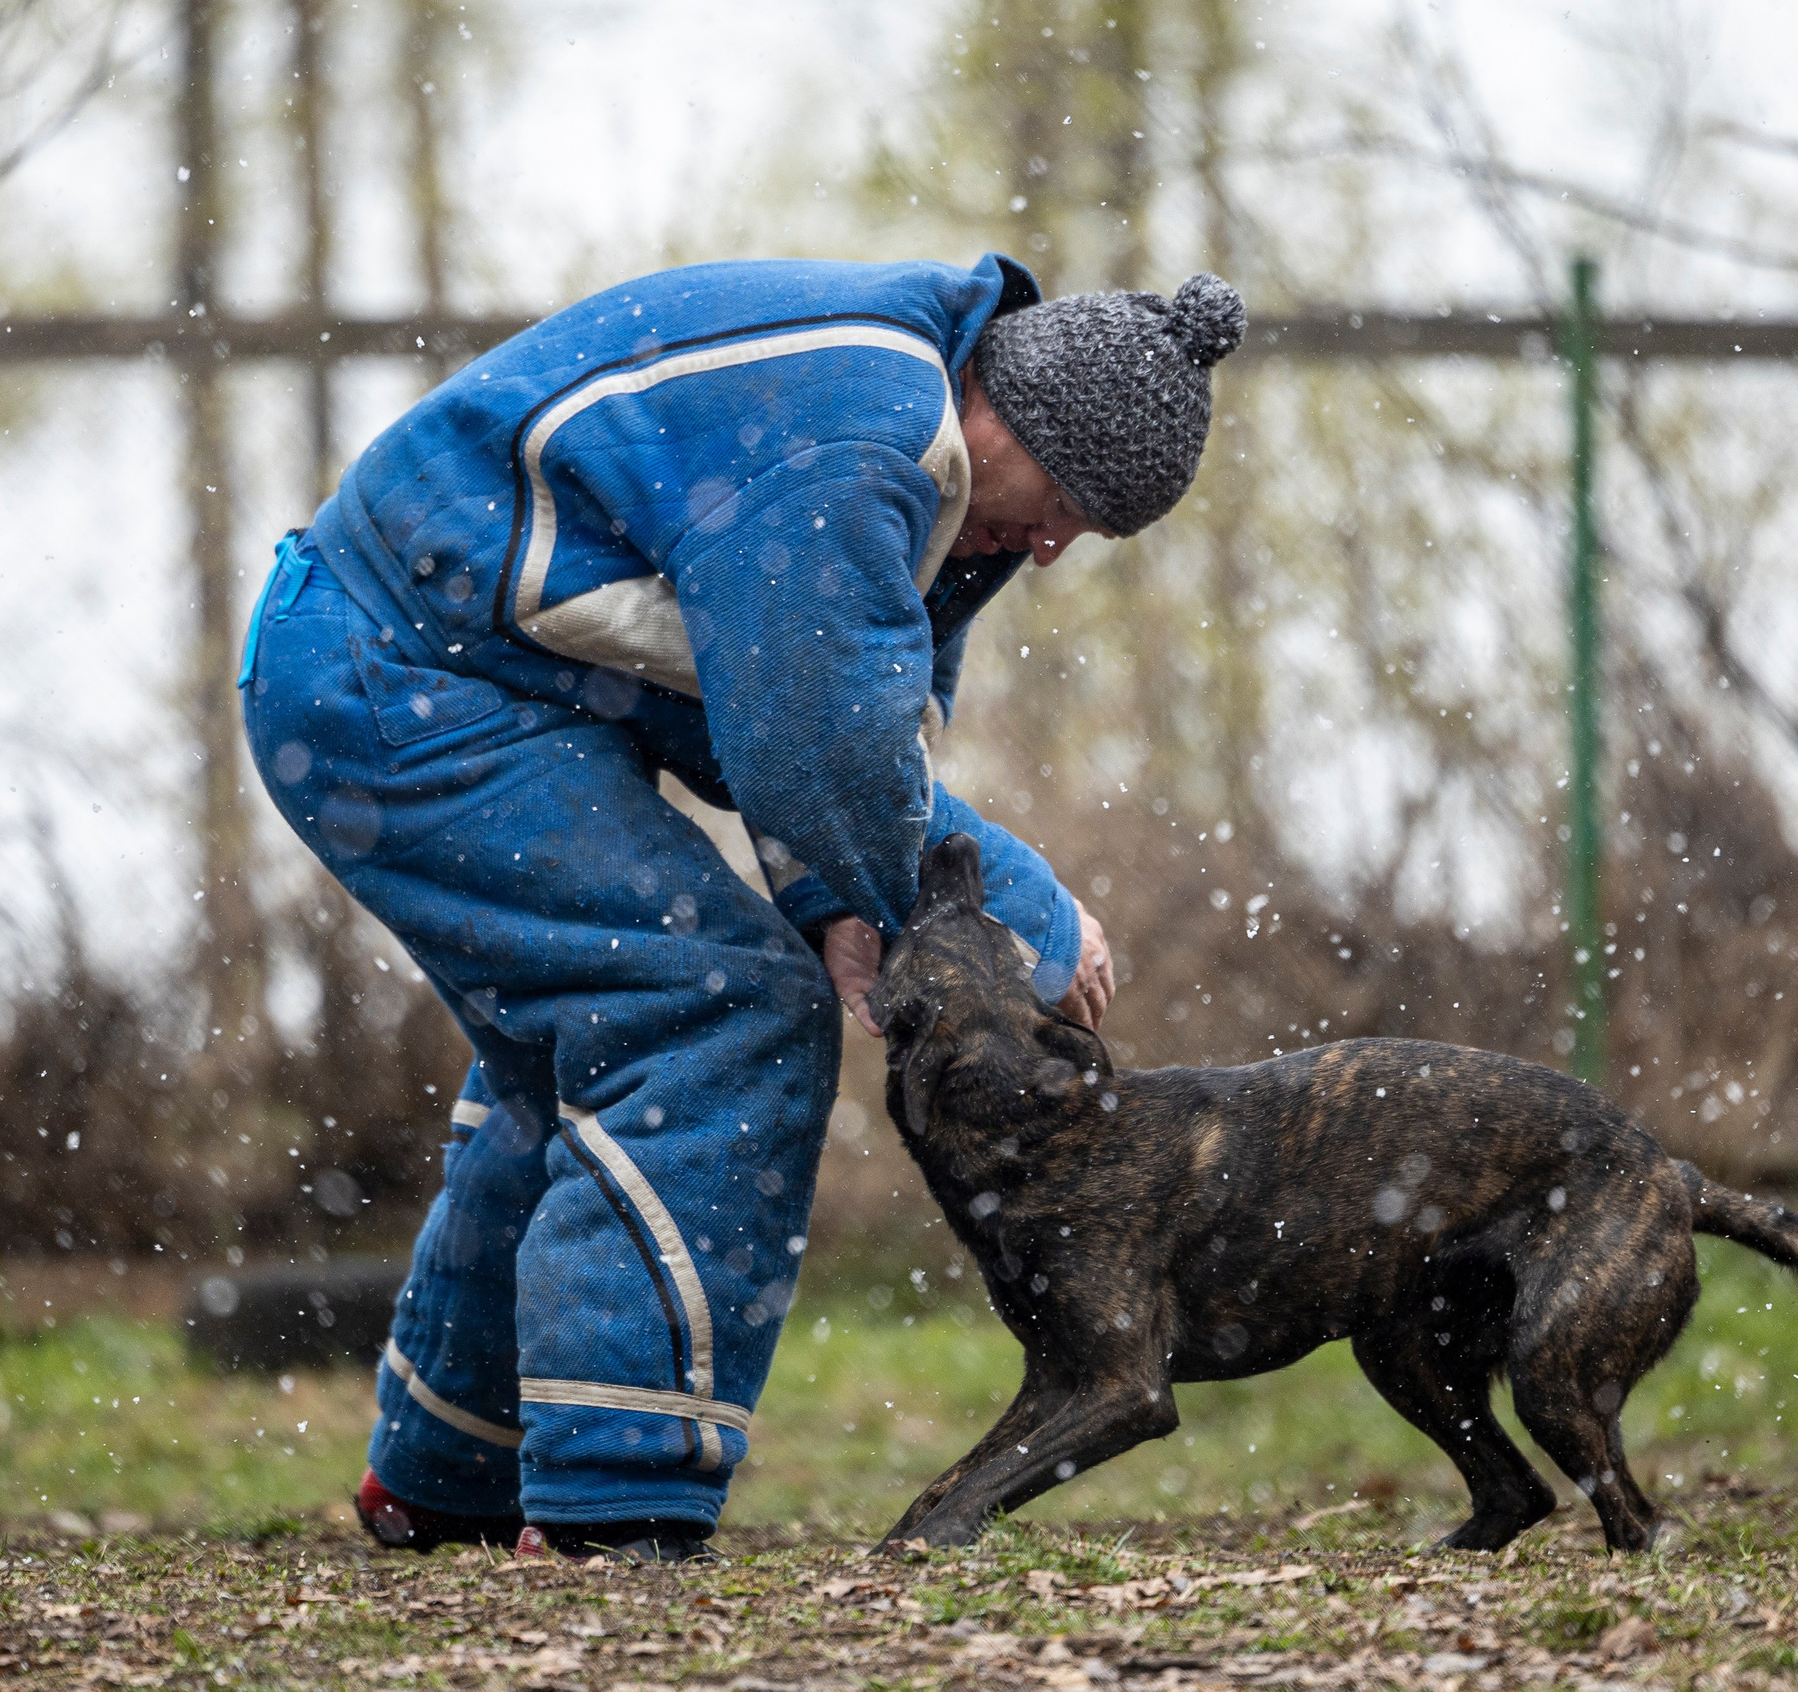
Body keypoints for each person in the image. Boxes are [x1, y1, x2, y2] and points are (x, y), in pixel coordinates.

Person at [239, 252, 1244, 1561]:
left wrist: (840, 897)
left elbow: (796, 705)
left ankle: (451, 1475)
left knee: (583, 1049)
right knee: (720, 1008)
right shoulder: (865, 436)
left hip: (432, 665)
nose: (1052, 546)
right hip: (393, 672)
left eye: (1084, 534)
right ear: (1008, 412)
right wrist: (1024, 921)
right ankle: (614, 1502)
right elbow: (824, 751)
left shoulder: (918, 450)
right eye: (1064, 502)